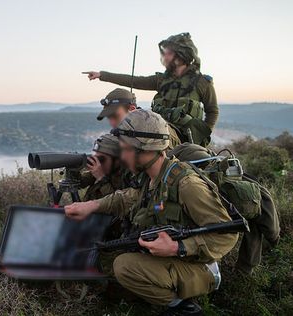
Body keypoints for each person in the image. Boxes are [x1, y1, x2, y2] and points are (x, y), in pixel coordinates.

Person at [65, 109, 238, 315]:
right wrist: (91, 206)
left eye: (125, 149)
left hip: (200, 267)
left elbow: (227, 235)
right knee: (107, 263)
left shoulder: (187, 185)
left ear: (144, 150)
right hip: (179, 261)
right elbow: (129, 196)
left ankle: (182, 307)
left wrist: (177, 247)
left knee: (124, 266)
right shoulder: (152, 176)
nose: (122, 155)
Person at [84, 33, 217, 147]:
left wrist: (202, 134)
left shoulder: (202, 82)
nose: (165, 57)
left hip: (185, 138)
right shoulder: (162, 80)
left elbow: (212, 111)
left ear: (182, 55)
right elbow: (135, 81)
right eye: (165, 53)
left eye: (169, 53)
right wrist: (102, 75)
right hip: (159, 132)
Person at [81, 134, 123, 201]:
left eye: (101, 159)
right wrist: (75, 169)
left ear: (117, 160)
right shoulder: (102, 169)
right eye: (96, 158)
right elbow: (80, 183)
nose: (99, 163)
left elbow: (118, 205)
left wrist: (102, 178)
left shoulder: (126, 177)